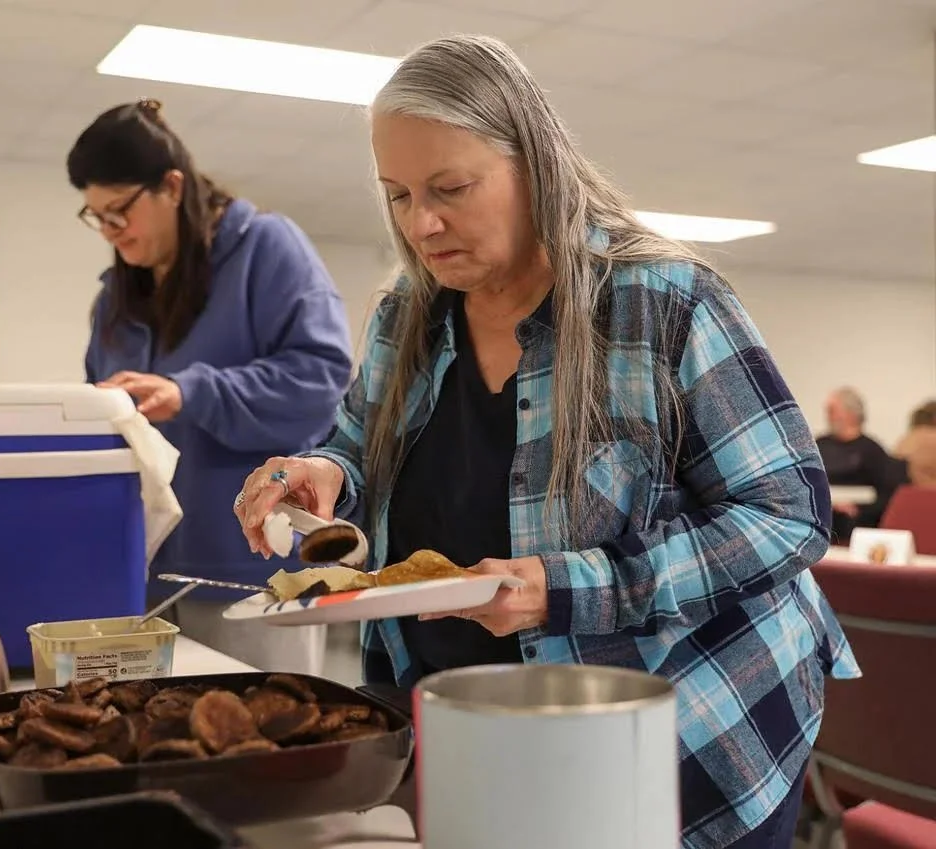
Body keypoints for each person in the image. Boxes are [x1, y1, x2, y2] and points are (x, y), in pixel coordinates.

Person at [233, 35, 860, 849]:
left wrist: (567, 587)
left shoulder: (663, 301)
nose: (421, 223)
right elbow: (359, 445)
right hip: (477, 727)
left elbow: (789, 516)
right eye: (396, 195)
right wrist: (320, 470)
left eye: (451, 187)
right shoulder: (407, 314)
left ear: (536, 162)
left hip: (690, 731)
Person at [68, 100, 354, 674]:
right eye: (96, 216)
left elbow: (320, 379)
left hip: (253, 578)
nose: (111, 230)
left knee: (266, 744)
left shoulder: (267, 249)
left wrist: (191, 393)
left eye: (120, 210)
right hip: (142, 581)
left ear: (172, 187)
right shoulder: (116, 300)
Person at [816, 387, 904, 543]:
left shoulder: (872, 451)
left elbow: (888, 494)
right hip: (820, 520)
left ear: (851, 414)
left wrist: (856, 509)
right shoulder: (818, 445)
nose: (828, 416)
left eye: (832, 410)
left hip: (855, 528)